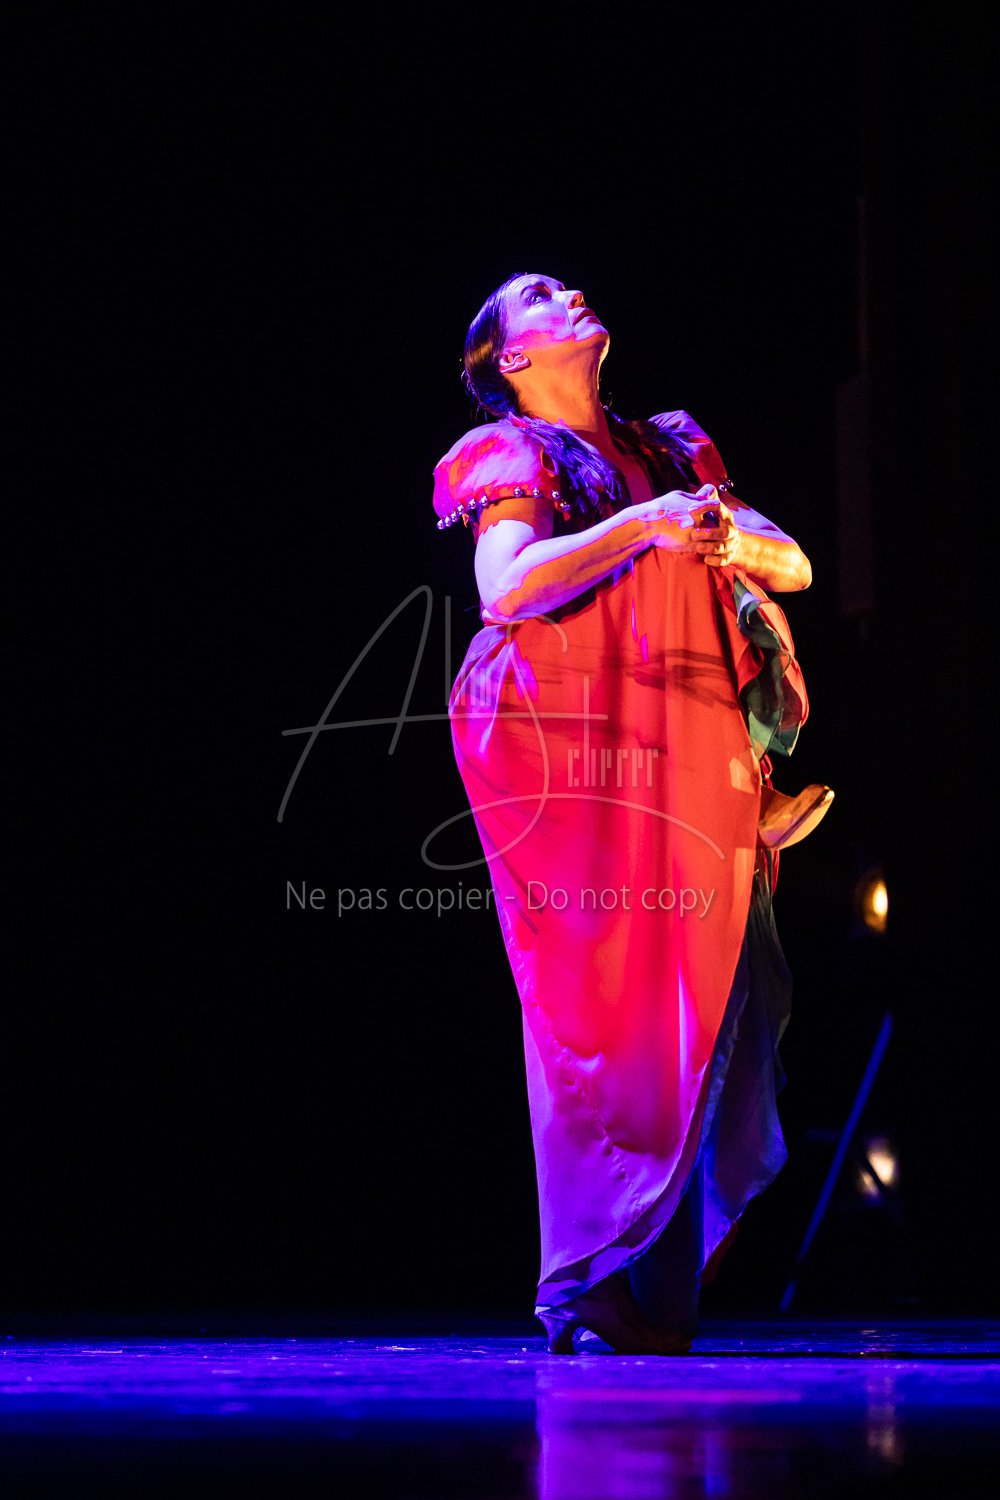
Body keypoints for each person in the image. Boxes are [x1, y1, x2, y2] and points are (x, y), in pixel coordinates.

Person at [431, 273, 831, 1355]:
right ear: (511, 360)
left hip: (671, 730)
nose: (568, 292)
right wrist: (647, 529)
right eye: (538, 295)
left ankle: (648, 1279)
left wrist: (718, 540)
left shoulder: (669, 449)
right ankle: (589, 1271)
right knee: (603, 994)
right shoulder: (515, 454)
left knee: (693, 995)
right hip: (569, 728)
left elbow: (792, 562)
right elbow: (507, 589)